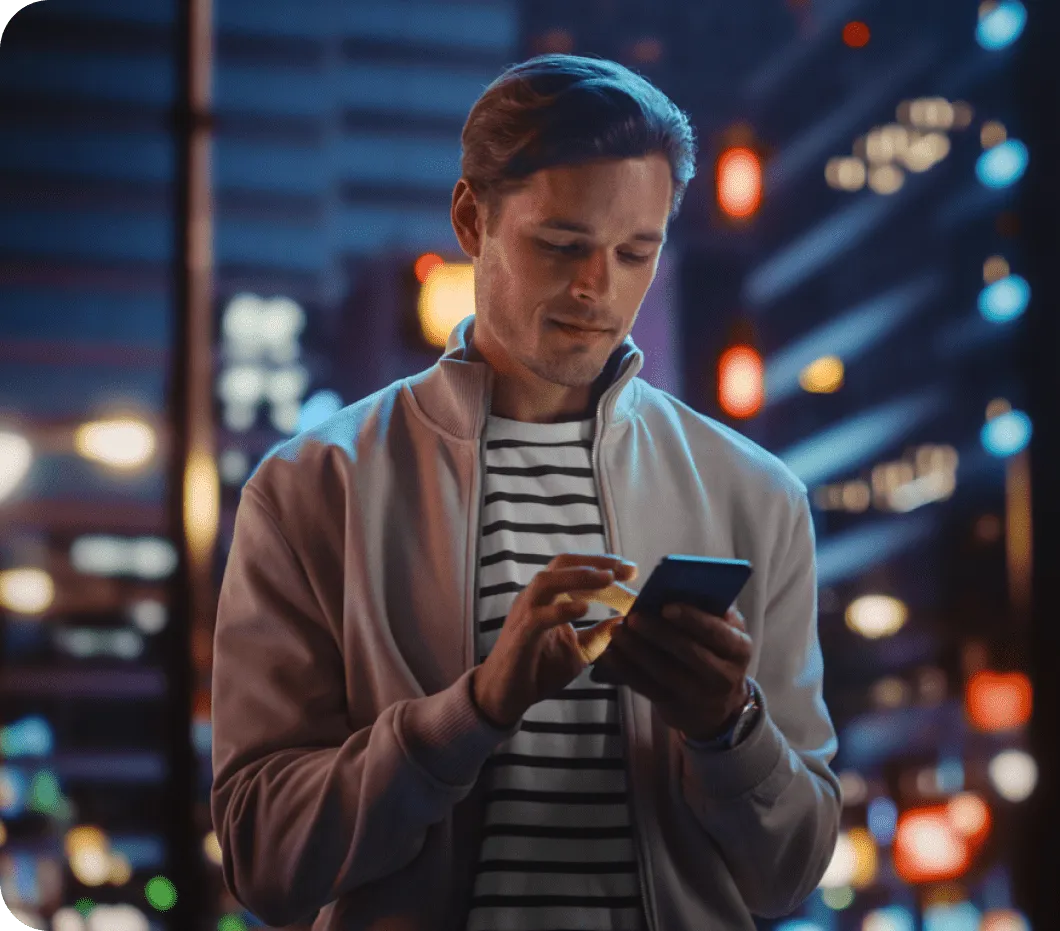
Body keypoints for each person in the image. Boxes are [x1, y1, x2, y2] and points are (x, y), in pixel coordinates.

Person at [210, 54, 840, 931]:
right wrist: (476, 709)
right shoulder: (314, 487)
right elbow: (263, 858)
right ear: (473, 218)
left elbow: (791, 874)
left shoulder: (757, 495)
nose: (598, 288)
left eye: (635, 252)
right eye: (561, 245)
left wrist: (728, 728)